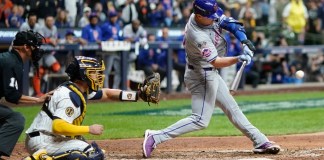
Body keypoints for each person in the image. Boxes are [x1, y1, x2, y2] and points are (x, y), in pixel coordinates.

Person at [142, 0, 281, 158]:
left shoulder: (207, 14)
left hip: (209, 72)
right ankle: (155, 136)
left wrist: (245, 41)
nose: (215, 18)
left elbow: (231, 24)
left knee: (232, 109)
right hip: (202, 75)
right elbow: (216, 62)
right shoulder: (197, 35)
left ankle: (260, 141)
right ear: (199, 16)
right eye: (211, 16)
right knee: (200, 120)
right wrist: (238, 58)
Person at [24, 56, 154, 160]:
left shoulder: (78, 89)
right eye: (93, 73)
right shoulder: (69, 96)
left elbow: (107, 93)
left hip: (47, 137)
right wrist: (89, 129)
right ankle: (40, 158)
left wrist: (138, 95)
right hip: (44, 140)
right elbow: (58, 126)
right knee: (92, 154)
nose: (98, 76)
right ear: (82, 75)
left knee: (94, 152)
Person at [0, 30, 52, 159]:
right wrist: (37, 100)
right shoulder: (11, 62)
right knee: (16, 119)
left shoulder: (11, 59)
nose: (37, 50)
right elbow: (11, 96)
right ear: (25, 47)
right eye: (35, 46)